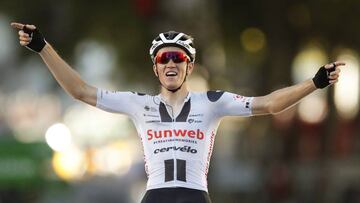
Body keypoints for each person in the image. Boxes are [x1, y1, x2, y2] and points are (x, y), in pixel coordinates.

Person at [11, 22, 344, 203]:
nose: (171, 63)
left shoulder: (213, 101)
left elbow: (270, 104)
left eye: (178, 58)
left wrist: (315, 82)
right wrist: (43, 47)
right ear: (156, 69)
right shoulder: (138, 103)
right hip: (155, 198)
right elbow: (80, 91)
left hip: (195, 197)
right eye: (163, 59)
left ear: (189, 66)